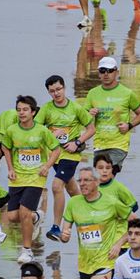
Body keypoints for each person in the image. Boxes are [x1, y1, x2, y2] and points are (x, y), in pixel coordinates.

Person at [0, 95, 61, 264]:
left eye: (25, 109)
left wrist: (47, 166)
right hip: (17, 178)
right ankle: (36, 217)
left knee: (24, 212)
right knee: (12, 216)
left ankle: (27, 251)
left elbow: (56, 150)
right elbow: (5, 147)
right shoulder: (12, 130)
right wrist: (10, 168)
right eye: (19, 110)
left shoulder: (41, 131)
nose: (21, 113)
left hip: (36, 178)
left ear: (33, 112)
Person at [37, 76, 93, 237]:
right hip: (54, 155)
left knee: (56, 186)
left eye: (59, 89)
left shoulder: (75, 108)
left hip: (70, 155)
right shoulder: (47, 109)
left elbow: (91, 129)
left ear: (64, 88)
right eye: (52, 91)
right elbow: (37, 129)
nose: (56, 93)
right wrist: (52, 133)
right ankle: (89, 211)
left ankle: (56, 227)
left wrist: (77, 142)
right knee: (71, 188)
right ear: (48, 92)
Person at [78, 55, 140, 172]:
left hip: (119, 145)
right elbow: (82, 117)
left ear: (117, 72)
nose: (106, 74)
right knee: (103, 180)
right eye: (102, 71)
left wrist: (129, 125)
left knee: (106, 174)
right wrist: (89, 114)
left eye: (110, 71)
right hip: (99, 144)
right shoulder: (92, 93)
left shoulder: (127, 93)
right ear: (99, 73)